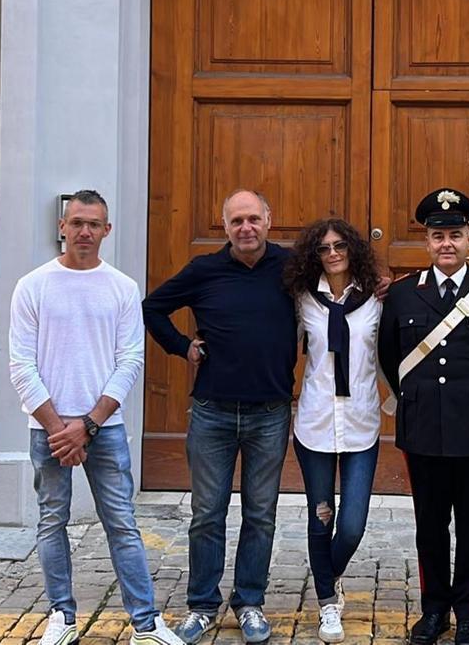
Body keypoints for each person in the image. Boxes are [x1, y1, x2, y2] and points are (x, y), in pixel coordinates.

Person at [9, 189, 183, 645]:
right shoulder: (32, 286)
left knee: (121, 522)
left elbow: (129, 362)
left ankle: (145, 624)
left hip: (101, 428)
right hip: (47, 427)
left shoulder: (122, 288)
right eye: (77, 222)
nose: (84, 231)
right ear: (62, 227)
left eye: (94, 224)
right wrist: (57, 429)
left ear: (107, 230)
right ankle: (61, 617)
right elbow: (20, 365)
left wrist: (85, 426)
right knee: (52, 522)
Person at [142, 190, 296, 644]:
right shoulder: (204, 270)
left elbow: (342, 280)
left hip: (270, 411)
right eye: (236, 221)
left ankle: (250, 602)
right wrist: (182, 346)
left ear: (269, 220)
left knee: (261, 513)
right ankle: (202, 605)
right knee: (207, 513)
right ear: (224, 226)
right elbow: (153, 308)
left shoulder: (291, 269)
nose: (245, 228)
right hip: (212, 411)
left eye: (253, 219)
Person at [378, 189, 469, 645]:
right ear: (426, 242)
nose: (446, 244)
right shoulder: (403, 295)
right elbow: (389, 356)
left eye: (455, 235)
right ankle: (434, 609)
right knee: (430, 526)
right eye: (438, 235)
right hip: (423, 428)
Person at [282, 219, 382, 643]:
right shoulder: (303, 299)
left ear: (353, 249)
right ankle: (327, 602)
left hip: (361, 423)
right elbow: (281, 346)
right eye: (324, 249)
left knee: (353, 524)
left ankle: (327, 572)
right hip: (317, 423)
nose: (333, 253)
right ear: (314, 255)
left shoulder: (376, 299)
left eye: (340, 245)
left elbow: (392, 352)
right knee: (321, 519)